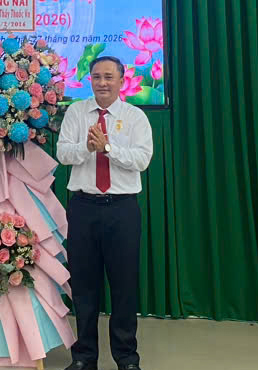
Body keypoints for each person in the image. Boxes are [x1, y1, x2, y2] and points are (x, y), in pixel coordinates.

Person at [57, 56, 153, 370]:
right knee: (84, 287)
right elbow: (63, 153)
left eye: (109, 77)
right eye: (96, 76)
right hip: (83, 208)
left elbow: (142, 160)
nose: (102, 83)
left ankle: (126, 359)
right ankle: (84, 357)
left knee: (124, 286)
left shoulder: (135, 116)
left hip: (122, 210)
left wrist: (107, 148)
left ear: (122, 80)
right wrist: (87, 147)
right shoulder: (76, 112)